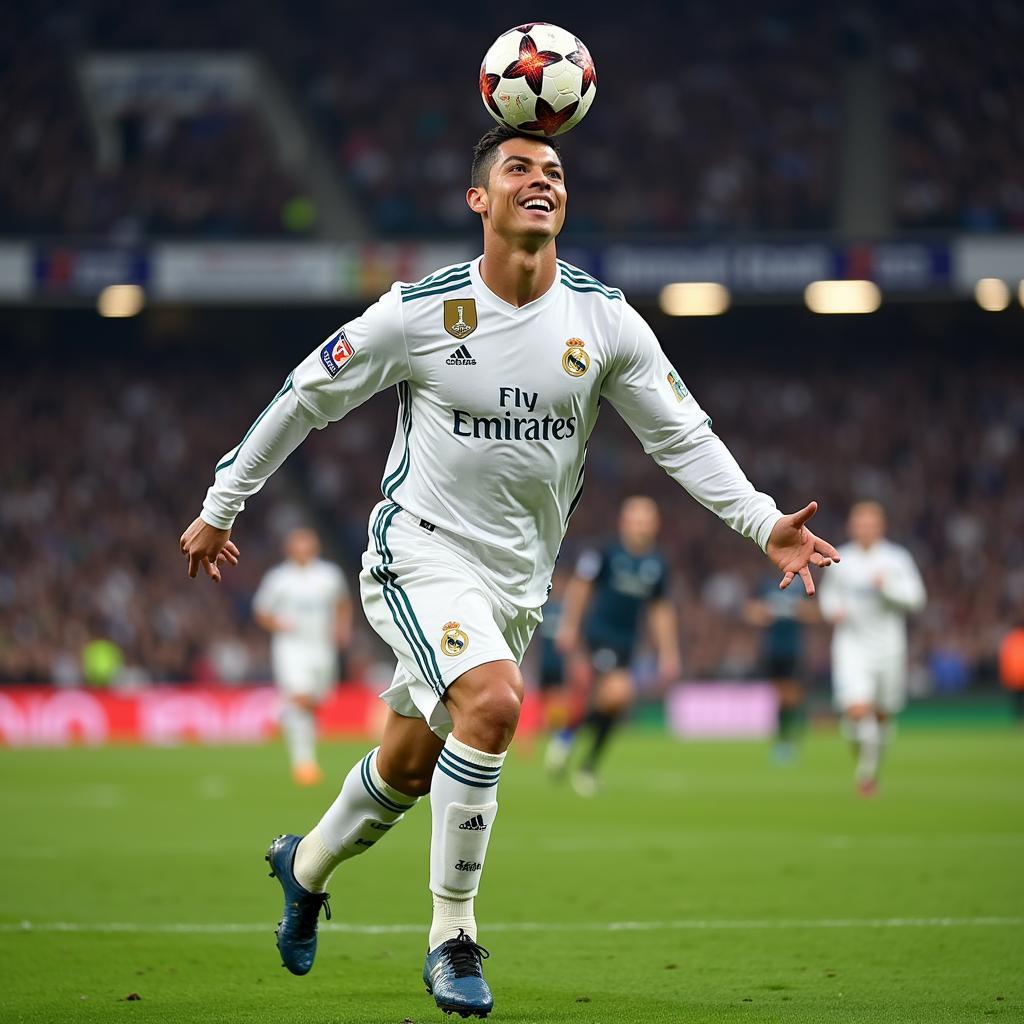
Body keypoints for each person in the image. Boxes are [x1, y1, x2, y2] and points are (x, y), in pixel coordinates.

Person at [179, 124, 839, 1019]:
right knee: (493, 704)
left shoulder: (603, 321)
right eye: (519, 169)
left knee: (410, 767)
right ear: (478, 201)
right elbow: (305, 395)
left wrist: (765, 524)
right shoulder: (419, 312)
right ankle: (452, 936)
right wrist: (224, 503)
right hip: (418, 548)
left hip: (518, 582)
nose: (542, 180)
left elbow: (681, 436)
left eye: (555, 170)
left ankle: (301, 868)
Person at [546, 496, 677, 795]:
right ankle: (587, 767)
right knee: (619, 693)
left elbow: (661, 609)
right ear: (624, 523)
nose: (641, 527)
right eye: (636, 520)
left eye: (646, 521)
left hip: (628, 642)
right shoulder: (605, 552)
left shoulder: (657, 563)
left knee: (611, 703)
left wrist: (669, 652)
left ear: (654, 525)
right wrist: (569, 626)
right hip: (599, 635)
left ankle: (570, 738)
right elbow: (581, 587)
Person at [819, 501, 925, 796]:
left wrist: (886, 588)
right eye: (859, 523)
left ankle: (869, 768)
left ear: (881, 526)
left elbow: (916, 599)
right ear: (852, 526)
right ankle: (866, 776)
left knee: (881, 717)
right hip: (851, 644)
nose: (864, 529)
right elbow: (828, 597)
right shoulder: (841, 558)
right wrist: (833, 612)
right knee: (857, 710)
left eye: (870, 523)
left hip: (889, 647)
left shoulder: (896, 559)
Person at [253, 527, 352, 785]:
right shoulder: (279, 579)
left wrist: (342, 628)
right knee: (301, 697)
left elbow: (343, 602)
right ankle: (304, 763)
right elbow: (261, 612)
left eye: (307, 544)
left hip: (322, 647)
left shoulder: (329, 575)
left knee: (315, 701)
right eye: (298, 545)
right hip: (291, 647)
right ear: (289, 549)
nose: (303, 550)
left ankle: (281, 711)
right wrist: (278, 623)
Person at [743, 574, 816, 762]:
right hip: (771, 647)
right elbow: (749, 612)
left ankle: (790, 740)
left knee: (791, 695)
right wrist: (765, 612)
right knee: (778, 696)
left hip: (793, 648)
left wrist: (795, 610)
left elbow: (815, 612)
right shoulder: (766, 584)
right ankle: (783, 740)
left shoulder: (802, 582)